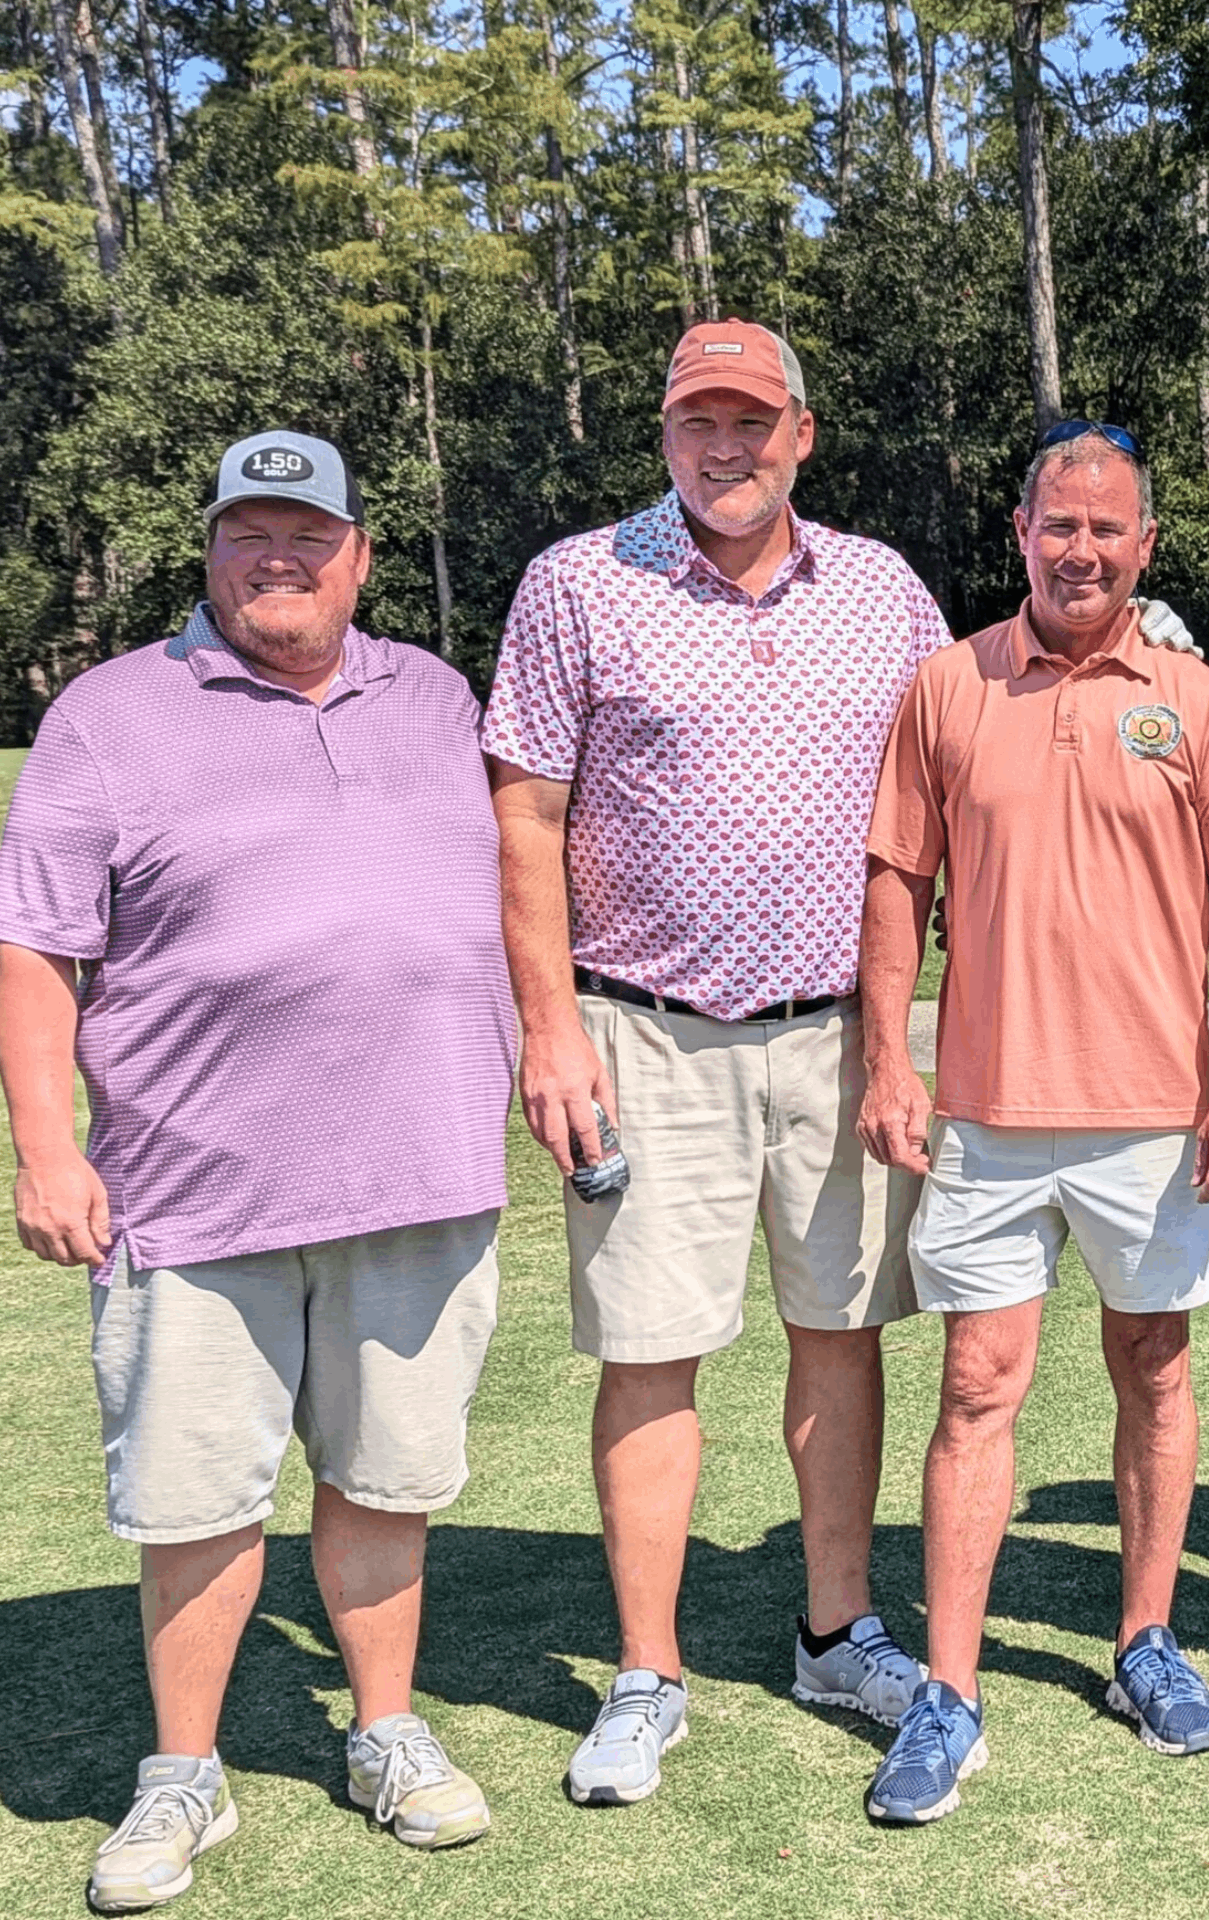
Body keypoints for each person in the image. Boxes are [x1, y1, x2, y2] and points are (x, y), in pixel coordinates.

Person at [0, 433, 515, 1909]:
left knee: (386, 1477)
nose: (277, 559)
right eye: (248, 536)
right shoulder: (108, 715)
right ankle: (183, 1774)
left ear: (359, 552)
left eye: (307, 534)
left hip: (418, 1171)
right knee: (195, 1499)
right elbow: (34, 947)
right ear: (210, 551)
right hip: (193, 1187)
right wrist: (44, 1146)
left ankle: (388, 1731)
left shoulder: (434, 695)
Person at [484, 322, 980, 1804]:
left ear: (802, 435)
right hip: (643, 1029)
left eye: (753, 422)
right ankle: (648, 1673)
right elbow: (522, 821)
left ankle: (837, 1629)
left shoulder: (882, 589)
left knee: (843, 1332)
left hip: (844, 1032)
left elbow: (974, 761)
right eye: (700, 421)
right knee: (650, 1353)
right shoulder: (579, 583)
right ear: (664, 434)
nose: (728, 447)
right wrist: (549, 1028)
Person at [856, 421, 1209, 1824]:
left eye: (1109, 529)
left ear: (1145, 546)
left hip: (1157, 1116)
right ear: (1023, 533)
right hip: (987, 1108)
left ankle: (1146, 1641)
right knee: (979, 1385)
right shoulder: (946, 686)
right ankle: (950, 1691)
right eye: (1060, 524)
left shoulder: (1200, 702)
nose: (1082, 548)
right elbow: (894, 887)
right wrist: (890, 1062)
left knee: (1153, 1369)